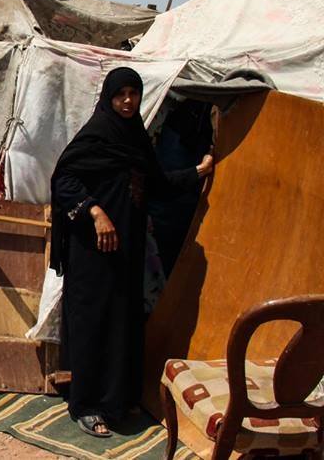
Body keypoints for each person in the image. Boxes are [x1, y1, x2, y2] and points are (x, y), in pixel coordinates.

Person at [49, 68, 214, 438]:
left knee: (122, 322)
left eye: (133, 93)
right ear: (109, 97)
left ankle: (116, 401)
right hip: (92, 251)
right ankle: (86, 405)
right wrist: (95, 212)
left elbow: (158, 184)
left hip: (127, 250)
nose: (127, 101)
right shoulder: (96, 134)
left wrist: (197, 172)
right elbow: (63, 180)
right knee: (93, 322)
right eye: (120, 94)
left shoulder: (136, 137)